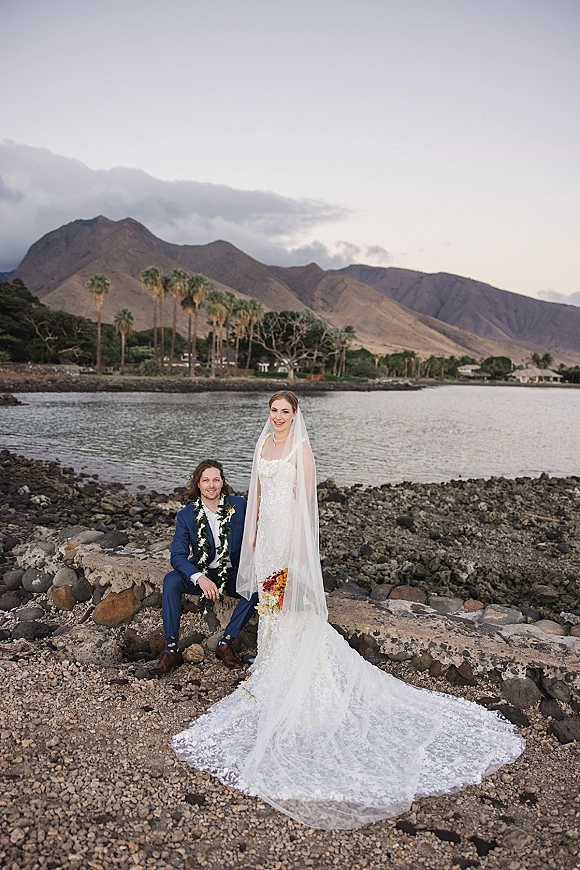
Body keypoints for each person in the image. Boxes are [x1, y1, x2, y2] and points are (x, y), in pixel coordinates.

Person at [173, 392, 524, 830]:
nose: (277, 417)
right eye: (273, 411)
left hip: (290, 543)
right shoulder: (262, 445)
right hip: (265, 543)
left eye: (285, 412)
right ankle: (271, 670)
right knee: (270, 611)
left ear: (295, 415)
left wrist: (296, 555)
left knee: (292, 611)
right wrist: (255, 541)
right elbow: (258, 497)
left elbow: (306, 508)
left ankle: (298, 676)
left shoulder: (302, 451)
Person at [149, 459, 258, 676]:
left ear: (222, 482)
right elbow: (178, 556)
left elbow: (258, 535)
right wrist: (199, 578)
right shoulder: (186, 515)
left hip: (234, 574)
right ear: (198, 484)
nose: (211, 485)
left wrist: (251, 565)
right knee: (171, 580)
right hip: (205, 574)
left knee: (256, 587)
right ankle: (171, 650)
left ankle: (225, 643)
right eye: (205, 480)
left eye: (216, 480)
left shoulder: (239, 505)